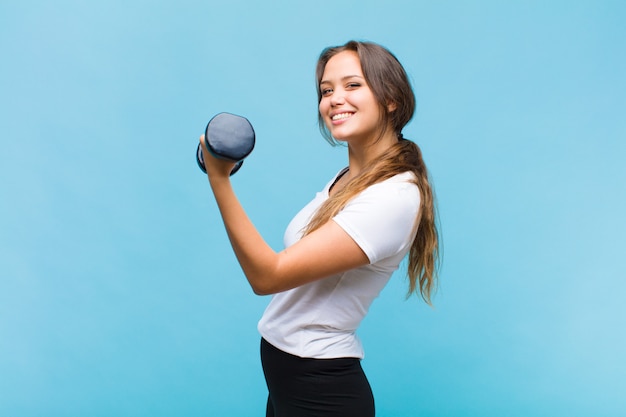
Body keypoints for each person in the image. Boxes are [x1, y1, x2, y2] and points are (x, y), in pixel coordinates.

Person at [199, 40, 440, 417]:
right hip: (288, 381)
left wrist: (220, 180)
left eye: (352, 85)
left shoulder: (394, 197)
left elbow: (268, 276)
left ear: (391, 99)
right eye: (326, 90)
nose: (334, 99)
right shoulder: (349, 178)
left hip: (322, 394)